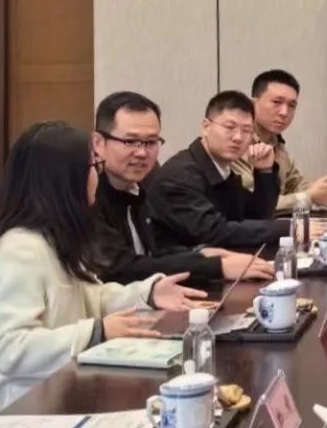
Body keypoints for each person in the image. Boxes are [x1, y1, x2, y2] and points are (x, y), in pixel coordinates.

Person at [0, 121, 207, 418]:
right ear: (65, 180)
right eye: (92, 167)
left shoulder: (54, 238)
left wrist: (148, 293)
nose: (96, 177)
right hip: (6, 416)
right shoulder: (19, 251)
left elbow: (89, 297)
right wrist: (97, 331)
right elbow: (12, 349)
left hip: (51, 397)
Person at [91, 91, 274, 284]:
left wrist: (200, 254)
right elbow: (121, 270)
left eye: (151, 142)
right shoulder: (87, 195)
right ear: (98, 143)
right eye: (130, 141)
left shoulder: (143, 181)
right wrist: (214, 266)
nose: (142, 153)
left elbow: (156, 251)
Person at [146, 91, 292, 252]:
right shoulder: (179, 175)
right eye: (229, 127)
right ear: (206, 127)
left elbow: (255, 216)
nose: (238, 137)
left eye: (246, 130)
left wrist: (264, 171)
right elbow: (213, 232)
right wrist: (290, 227)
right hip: (182, 265)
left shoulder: (221, 169)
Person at [232, 70, 327, 214]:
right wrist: (309, 196)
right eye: (277, 102)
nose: (284, 112)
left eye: (291, 105)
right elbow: (254, 204)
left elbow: (295, 185)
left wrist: (321, 189)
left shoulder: (276, 143)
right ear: (253, 104)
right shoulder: (235, 143)